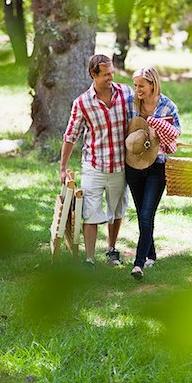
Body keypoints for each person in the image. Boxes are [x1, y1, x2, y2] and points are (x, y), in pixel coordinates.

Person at [60, 54, 134, 267]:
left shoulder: (126, 93)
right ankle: (90, 258)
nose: (111, 77)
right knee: (90, 213)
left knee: (116, 211)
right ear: (93, 75)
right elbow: (70, 136)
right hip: (93, 165)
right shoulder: (82, 103)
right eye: (106, 75)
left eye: (112, 73)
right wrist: (63, 168)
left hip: (120, 166)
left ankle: (111, 250)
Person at [125, 66, 181, 279]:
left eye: (141, 85)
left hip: (157, 167)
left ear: (152, 84)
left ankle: (138, 264)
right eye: (135, 85)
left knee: (147, 214)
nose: (137, 89)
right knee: (142, 215)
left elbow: (177, 132)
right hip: (133, 166)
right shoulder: (131, 105)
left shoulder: (167, 106)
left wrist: (159, 128)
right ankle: (152, 254)